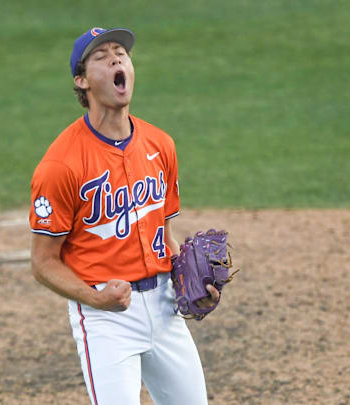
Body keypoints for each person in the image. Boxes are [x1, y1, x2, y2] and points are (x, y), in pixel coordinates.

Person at [29, 27, 220, 405]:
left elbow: (163, 233)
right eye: (101, 56)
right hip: (106, 319)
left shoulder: (160, 144)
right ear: (81, 81)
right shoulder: (60, 165)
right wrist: (94, 299)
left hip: (165, 309)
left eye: (121, 53)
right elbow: (42, 262)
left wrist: (191, 280)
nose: (117, 59)